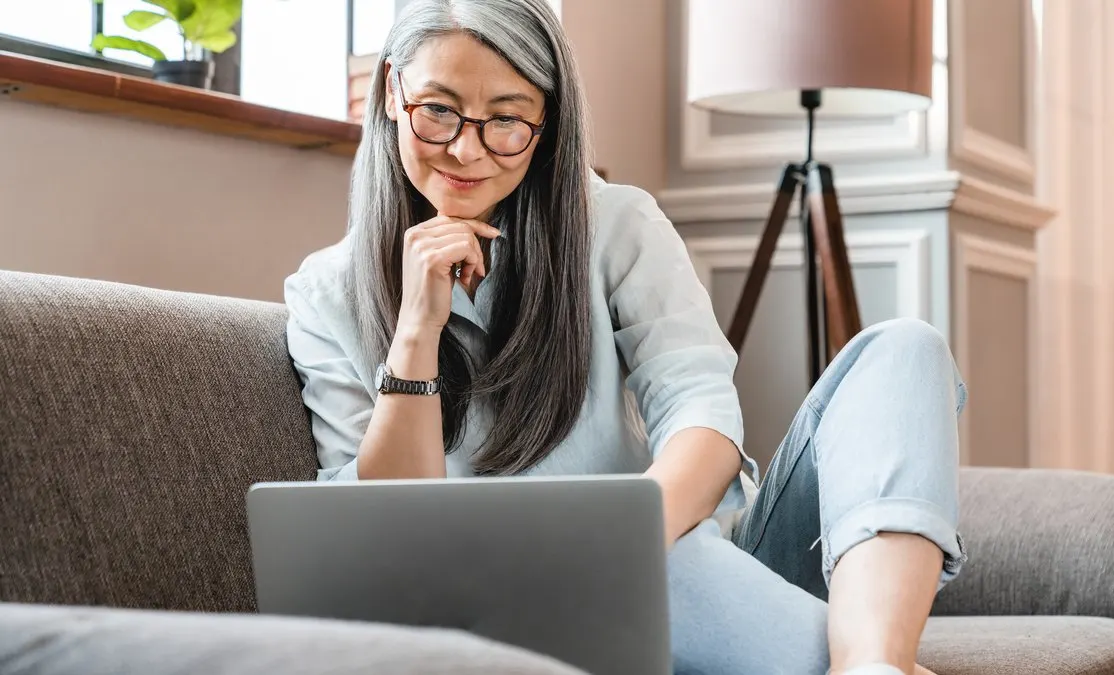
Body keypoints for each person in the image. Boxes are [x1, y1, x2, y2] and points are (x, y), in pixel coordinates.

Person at [282, 0, 969, 673]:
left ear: (547, 125)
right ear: (390, 94)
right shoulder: (326, 294)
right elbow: (383, 536)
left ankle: (872, 660)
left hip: (687, 556)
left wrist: (623, 548)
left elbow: (704, 420)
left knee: (903, 348)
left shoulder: (617, 225)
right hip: (549, 611)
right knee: (651, 563)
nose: (467, 147)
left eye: (507, 120)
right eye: (438, 111)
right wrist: (414, 334)